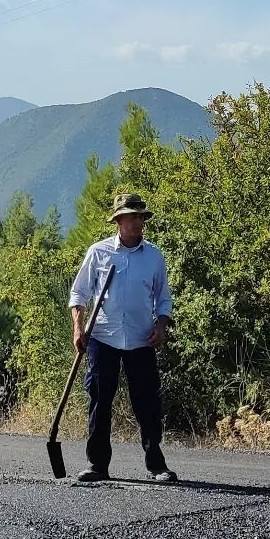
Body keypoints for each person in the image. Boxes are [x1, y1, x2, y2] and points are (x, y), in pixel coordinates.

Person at [67, 192, 176, 484]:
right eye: (132, 216)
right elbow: (79, 293)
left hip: (141, 339)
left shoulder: (153, 256)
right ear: (119, 220)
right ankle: (97, 464)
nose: (138, 221)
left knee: (147, 402)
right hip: (103, 338)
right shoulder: (99, 252)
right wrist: (78, 328)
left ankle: (156, 465)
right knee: (100, 399)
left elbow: (163, 298)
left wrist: (161, 325)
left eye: (141, 216)